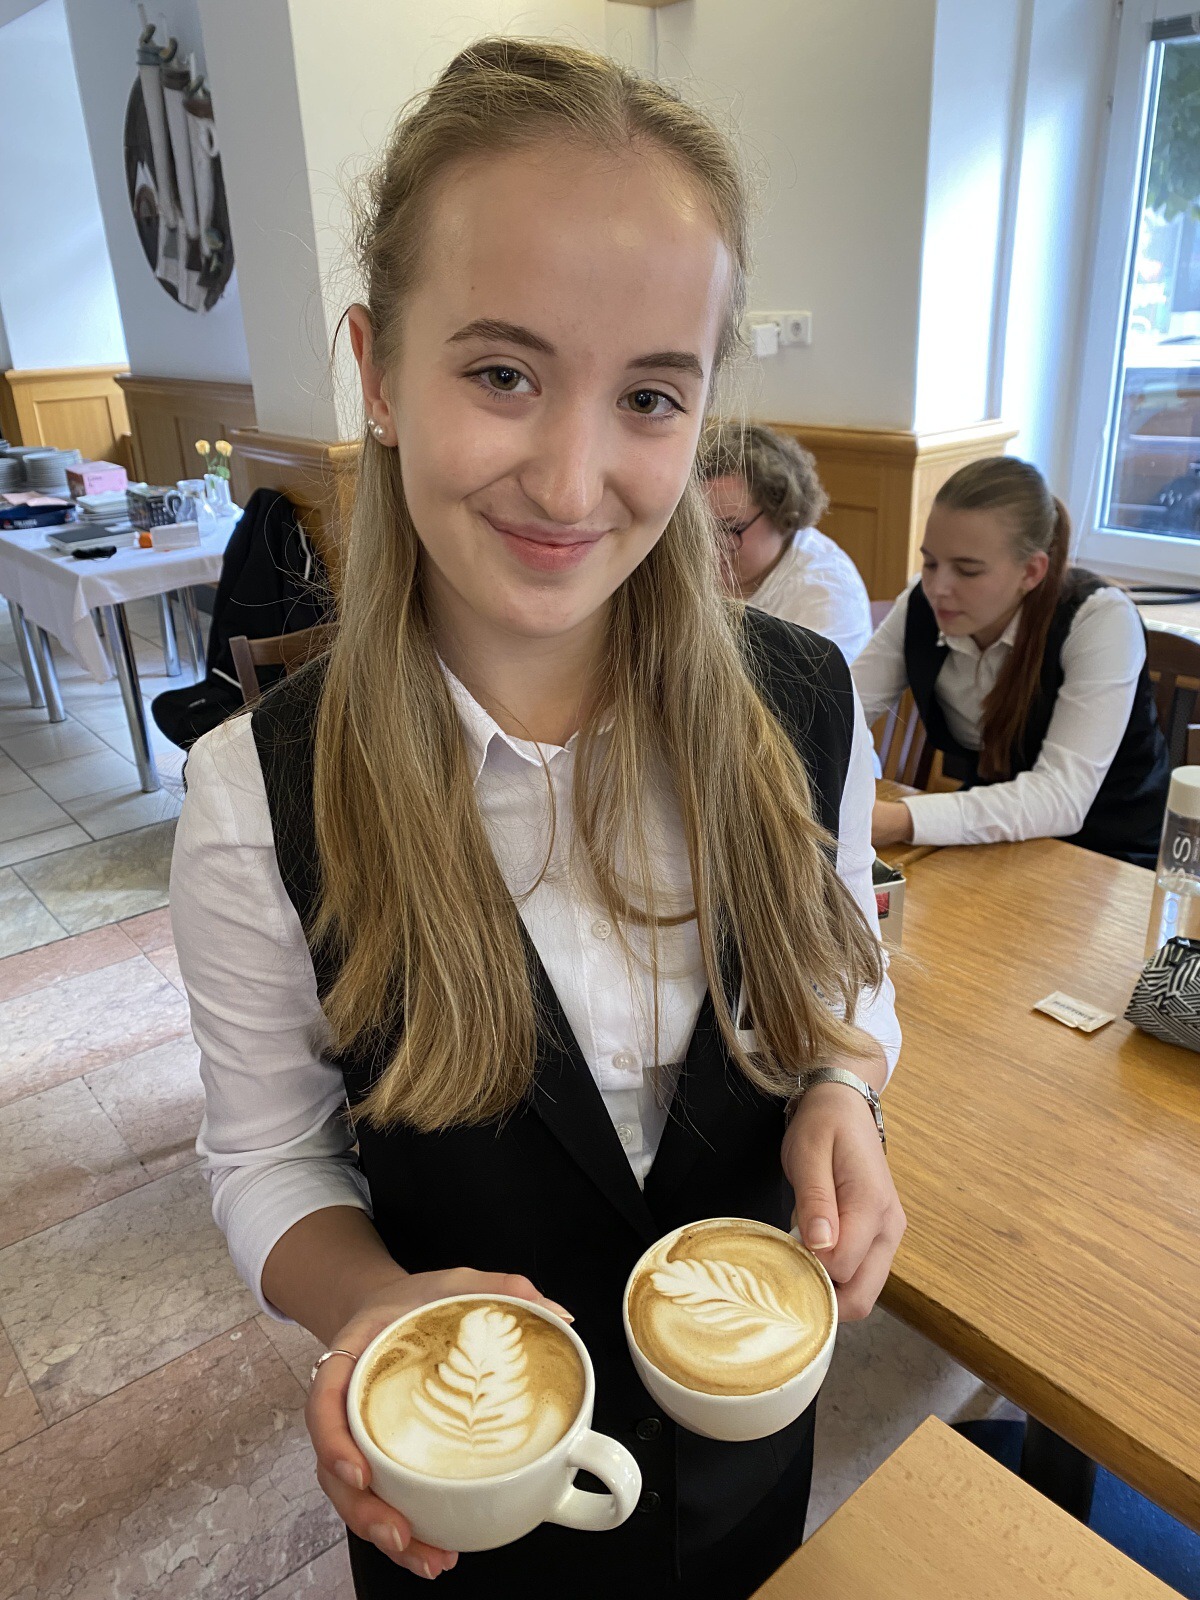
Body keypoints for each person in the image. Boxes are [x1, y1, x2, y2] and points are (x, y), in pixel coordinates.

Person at [170, 39, 904, 1600]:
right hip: (475, 1520)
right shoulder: (253, 797)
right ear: (377, 373)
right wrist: (368, 1304)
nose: (573, 481)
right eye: (502, 373)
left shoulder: (807, 704)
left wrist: (843, 1091)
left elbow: (843, 976)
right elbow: (270, 1158)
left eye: (649, 396)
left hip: (746, 1471)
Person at [855, 455, 1171, 864]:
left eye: (967, 570)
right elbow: (841, 709)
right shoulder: (921, 603)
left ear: (1032, 571)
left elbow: (1061, 797)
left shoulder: (1100, 618)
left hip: (1112, 857)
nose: (938, 587)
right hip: (994, 841)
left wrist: (900, 819)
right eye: (930, 562)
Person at [699, 421, 873, 662]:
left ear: (781, 512)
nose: (709, 547)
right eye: (701, 528)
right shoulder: (708, 560)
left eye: (730, 529)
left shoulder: (824, 596)